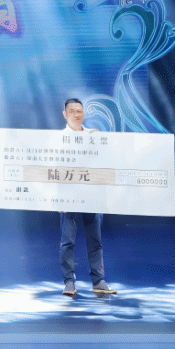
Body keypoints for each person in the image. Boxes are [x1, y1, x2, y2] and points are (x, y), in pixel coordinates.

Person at [59, 98, 115, 298]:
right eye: (72, 111)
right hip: (68, 195)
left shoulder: (94, 136)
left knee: (95, 240)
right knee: (67, 241)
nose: (77, 114)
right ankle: (69, 282)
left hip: (92, 194)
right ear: (65, 114)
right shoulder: (58, 138)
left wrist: (100, 143)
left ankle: (98, 281)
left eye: (80, 111)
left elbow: (106, 160)